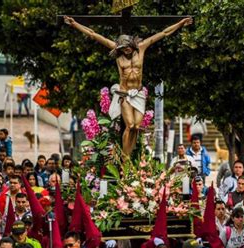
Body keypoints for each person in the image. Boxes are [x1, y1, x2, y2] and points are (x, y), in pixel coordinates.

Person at [64, 16, 193, 155]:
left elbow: (164, 33)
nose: (125, 50)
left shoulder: (141, 48)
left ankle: (129, 156)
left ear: (131, 44)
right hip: (124, 94)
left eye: (127, 47)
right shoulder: (118, 53)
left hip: (138, 93)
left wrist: (181, 23)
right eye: (123, 48)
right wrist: (74, 24)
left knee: (136, 126)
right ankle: (125, 160)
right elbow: (93, 34)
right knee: (130, 125)